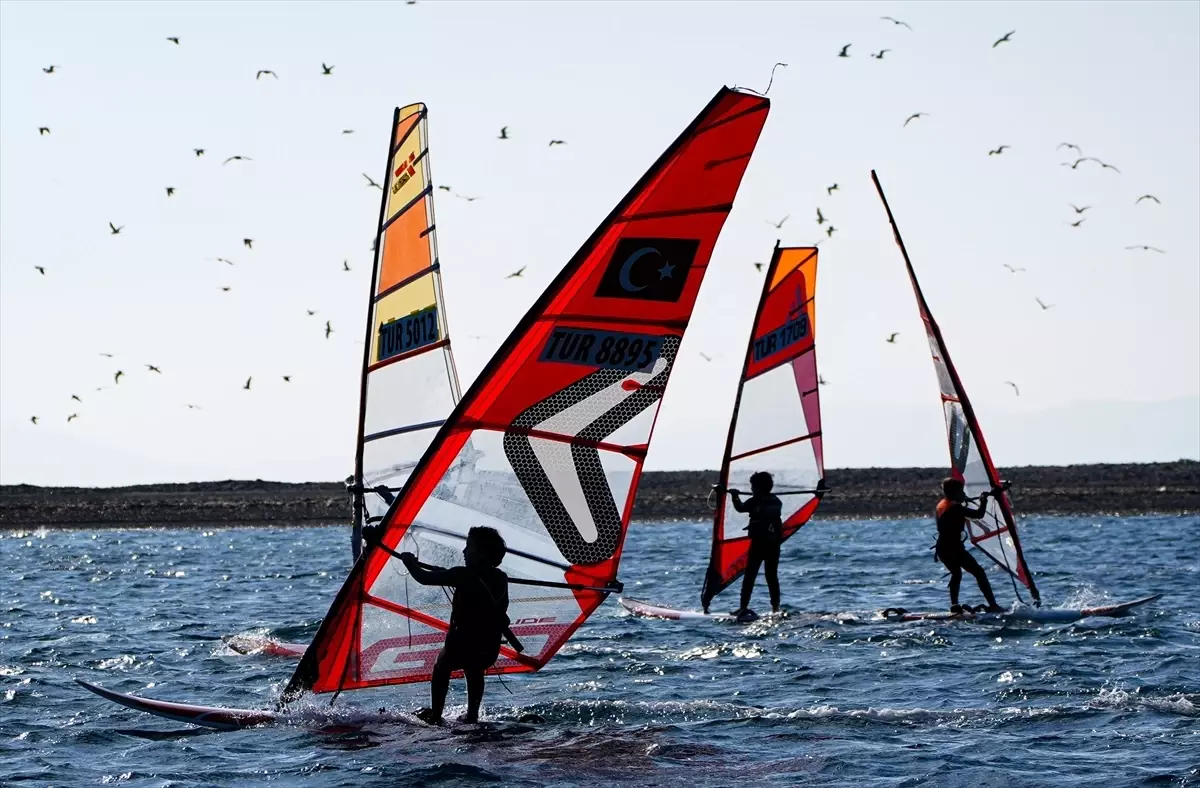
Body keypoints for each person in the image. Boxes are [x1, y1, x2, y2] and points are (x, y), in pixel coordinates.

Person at [399, 526, 512, 725]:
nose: (464, 551)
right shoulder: (500, 577)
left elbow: (423, 578)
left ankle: (436, 715)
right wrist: (448, 575)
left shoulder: (462, 575)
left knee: (441, 667)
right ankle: (472, 715)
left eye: (469, 547)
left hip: (462, 645)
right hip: (488, 647)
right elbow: (477, 590)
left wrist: (409, 563)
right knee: (474, 670)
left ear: (482, 555)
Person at [935, 477, 1003, 613]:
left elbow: (958, 512)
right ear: (954, 493)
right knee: (979, 572)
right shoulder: (955, 507)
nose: (964, 494)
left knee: (956, 574)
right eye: (961, 491)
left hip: (942, 548)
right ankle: (993, 605)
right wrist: (983, 501)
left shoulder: (943, 504)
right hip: (953, 548)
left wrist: (964, 500)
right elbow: (978, 514)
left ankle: (954, 605)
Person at [728, 471, 784, 620]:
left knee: (750, 576)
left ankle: (743, 607)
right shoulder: (776, 501)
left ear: (759, 488)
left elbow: (740, 508)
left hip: (759, 543)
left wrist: (734, 496)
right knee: (771, 576)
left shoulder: (755, 500)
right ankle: (775, 608)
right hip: (774, 544)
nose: (751, 489)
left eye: (753, 487)